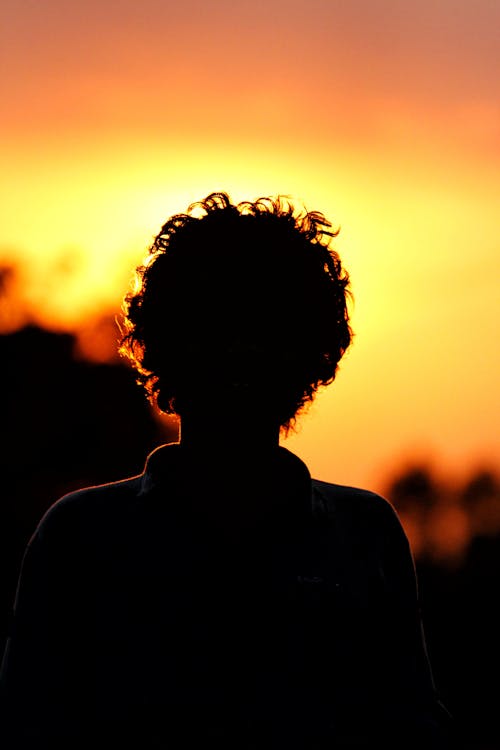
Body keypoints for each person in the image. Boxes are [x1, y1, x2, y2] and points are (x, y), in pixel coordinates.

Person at [0, 192, 452, 748]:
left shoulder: (364, 533)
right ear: (166, 347)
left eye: (266, 332)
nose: (239, 355)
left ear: (309, 355)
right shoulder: (80, 536)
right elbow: (28, 734)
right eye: (214, 330)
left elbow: (411, 734)